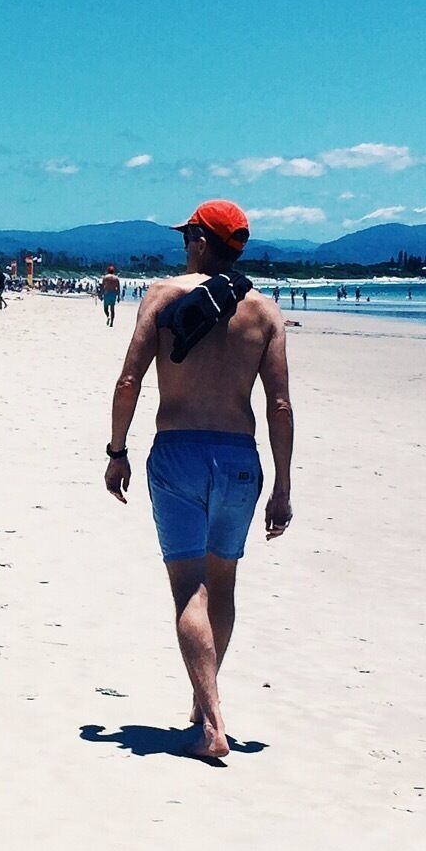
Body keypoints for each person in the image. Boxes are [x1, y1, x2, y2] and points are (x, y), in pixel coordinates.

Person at [104, 199, 292, 762]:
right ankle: (202, 695)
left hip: (179, 452)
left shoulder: (162, 297)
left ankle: (210, 722)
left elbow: (129, 380)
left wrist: (117, 451)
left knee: (190, 589)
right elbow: (279, 405)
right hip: (239, 458)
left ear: (202, 243)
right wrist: (283, 485)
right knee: (223, 585)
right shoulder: (264, 311)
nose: (184, 244)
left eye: (189, 236)